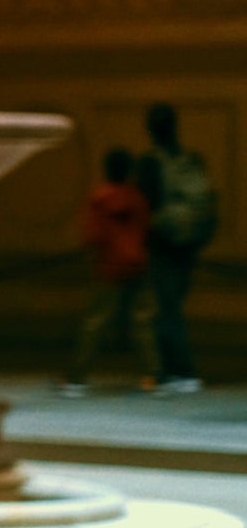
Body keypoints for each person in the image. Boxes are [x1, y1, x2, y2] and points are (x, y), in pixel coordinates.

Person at [134, 103, 219, 395]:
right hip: (187, 243)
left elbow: (142, 206)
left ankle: (180, 371)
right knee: (172, 305)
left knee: (166, 309)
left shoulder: (149, 163)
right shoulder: (191, 159)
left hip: (162, 241)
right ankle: (177, 370)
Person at [63, 148, 156, 397]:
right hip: (137, 263)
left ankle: (77, 377)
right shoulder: (137, 198)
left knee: (95, 323)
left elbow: (93, 234)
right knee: (142, 323)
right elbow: (146, 228)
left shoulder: (101, 198)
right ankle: (152, 375)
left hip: (110, 266)